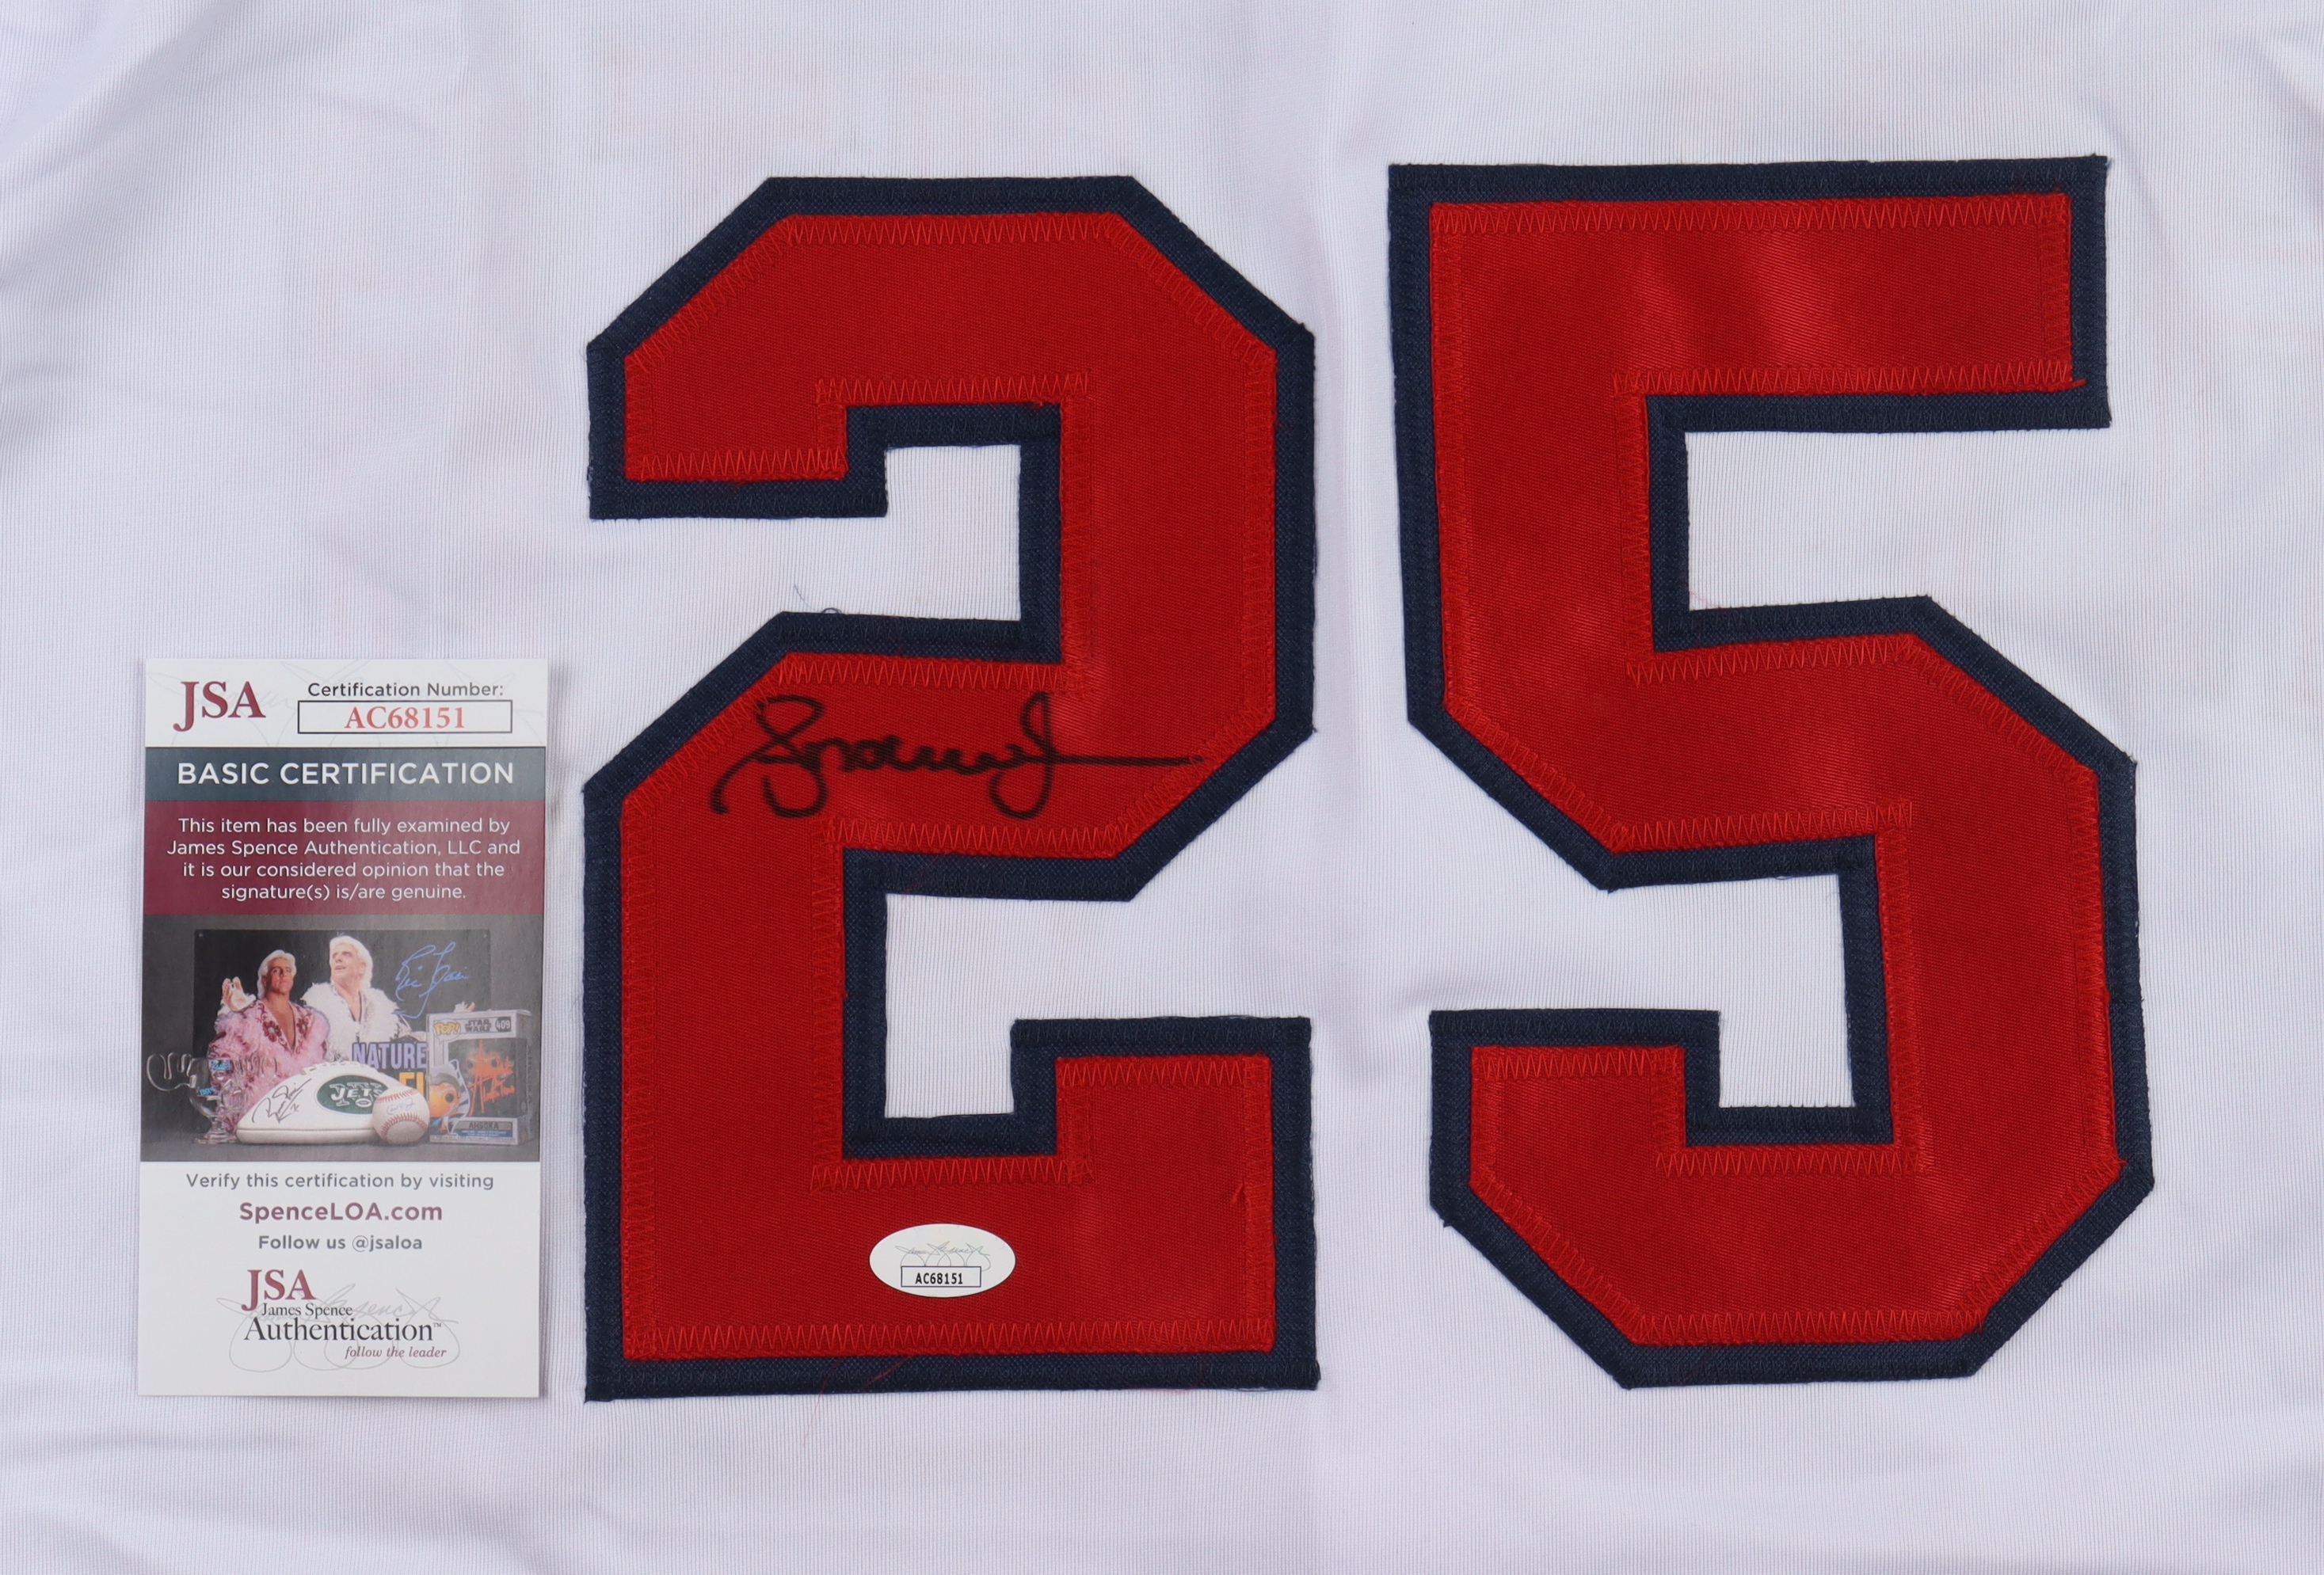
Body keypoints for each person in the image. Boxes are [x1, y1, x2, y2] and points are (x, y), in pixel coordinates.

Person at [200, 949, 330, 1143]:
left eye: (288, 971)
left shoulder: (309, 1021)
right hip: (259, 1116)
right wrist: (235, 1107)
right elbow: (221, 1066)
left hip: (302, 1117)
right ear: (265, 980)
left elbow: (321, 1066)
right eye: (277, 971)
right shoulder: (244, 1019)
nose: (284, 974)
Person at [300, 934, 409, 1057]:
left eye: (346, 954)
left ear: (362, 967)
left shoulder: (383, 1008)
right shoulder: (315, 1006)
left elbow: (408, 1042)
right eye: (334, 956)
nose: (338, 959)